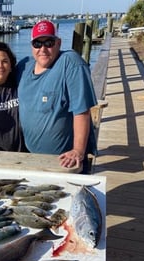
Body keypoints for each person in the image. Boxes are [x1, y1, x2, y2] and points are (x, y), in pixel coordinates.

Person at [16, 20, 97, 173]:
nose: (43, 49)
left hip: (64, 161)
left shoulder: (71, 63)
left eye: (49, 42)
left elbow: (82, 111)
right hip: (31, 159)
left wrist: (78, 151)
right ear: (31, 46)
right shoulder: (23, 67)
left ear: (58, 43)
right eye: (37, 44)